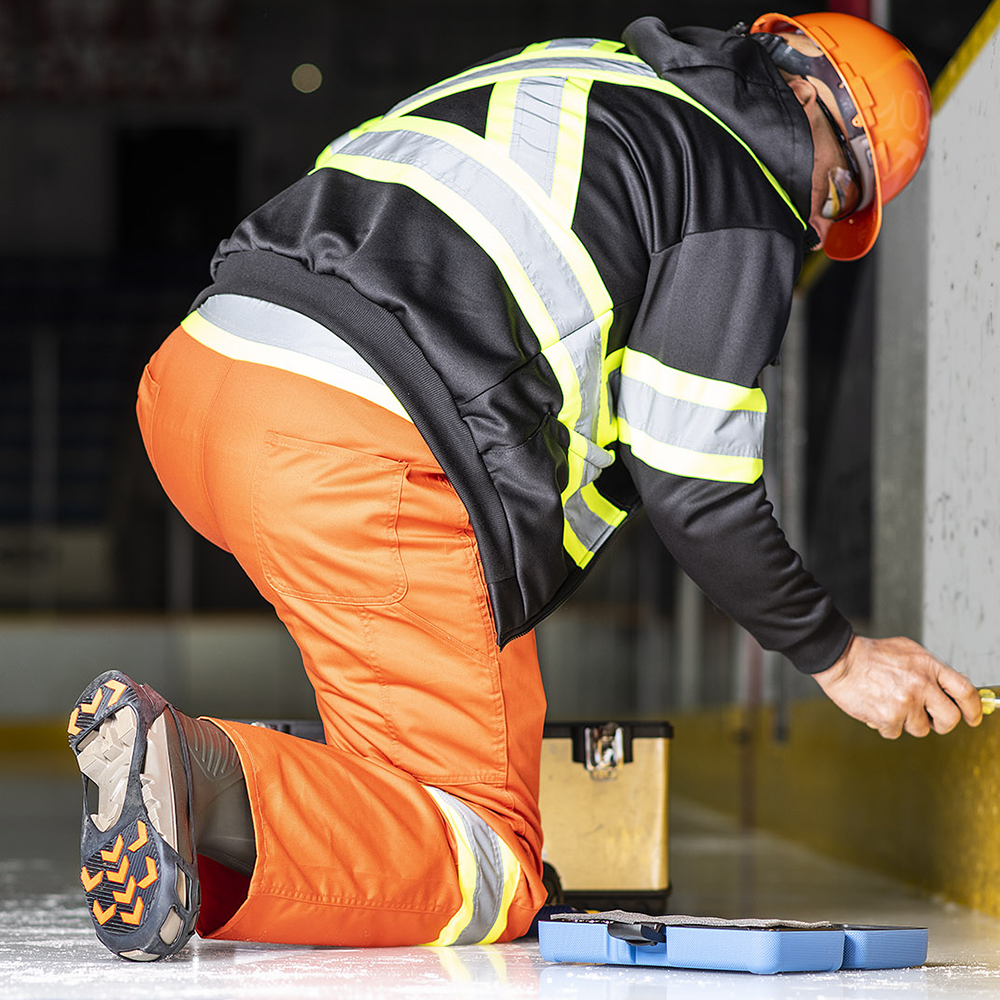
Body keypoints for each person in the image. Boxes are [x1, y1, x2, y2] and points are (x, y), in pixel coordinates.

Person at [68, 11, 982, 961]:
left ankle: (194, 825)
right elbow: (696, 486)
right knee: (487, 853)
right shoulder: (740, 178)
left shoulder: (583, 74)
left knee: (399, 783)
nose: (821, 223)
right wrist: (840, 656)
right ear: (809, 102)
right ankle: (196, 777)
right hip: (353, 441)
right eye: (841, 188)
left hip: (198, 384)